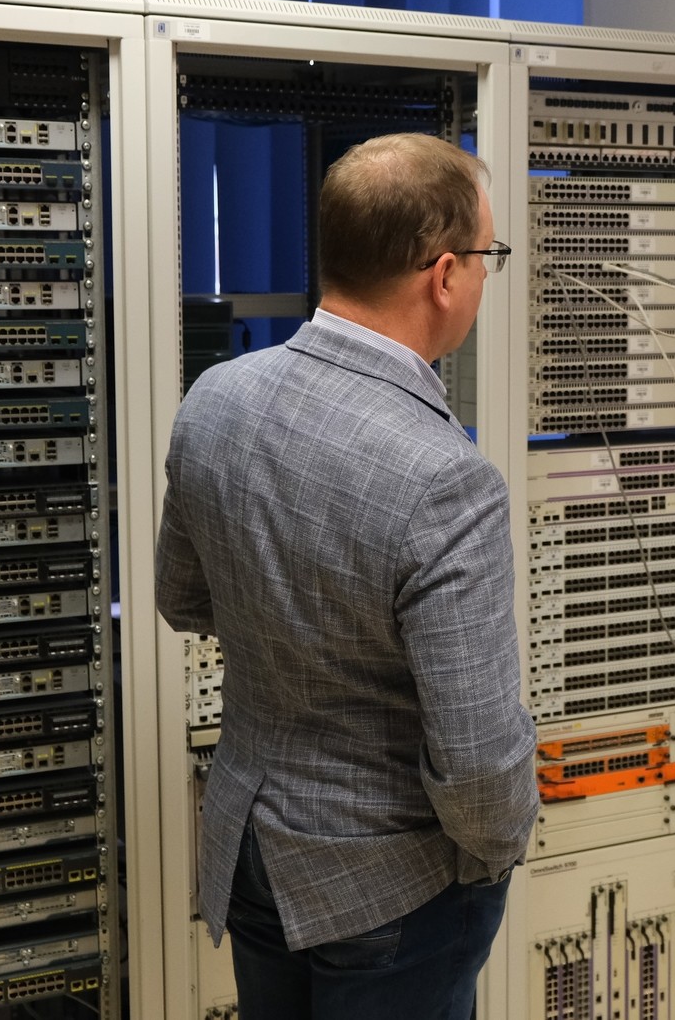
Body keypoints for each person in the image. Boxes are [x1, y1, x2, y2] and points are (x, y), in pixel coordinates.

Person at [155, 133, 537, 1020]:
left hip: (253, 850)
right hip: (391, 886)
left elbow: (180, 598)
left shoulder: (215, 400)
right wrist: (494, 855)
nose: (485, 277)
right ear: (445, 275)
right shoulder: (447, 478)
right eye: (489, 257)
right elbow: (480, 767)